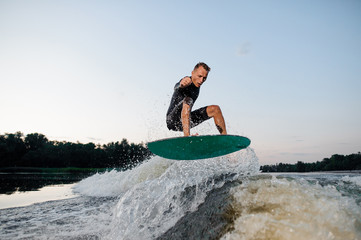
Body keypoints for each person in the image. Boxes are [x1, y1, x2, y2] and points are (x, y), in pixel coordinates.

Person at [166, 62, 227, 136]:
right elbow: (176, 87)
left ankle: (225, 138)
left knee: (215, 109)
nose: (201, 80)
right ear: (192, 73)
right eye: (199, 76)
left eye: (204, 78)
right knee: (188, 101)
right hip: (172, 120)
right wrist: (181, 84)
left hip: (186, 121)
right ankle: (187, 137)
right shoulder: (187, 80)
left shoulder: (197, 85)